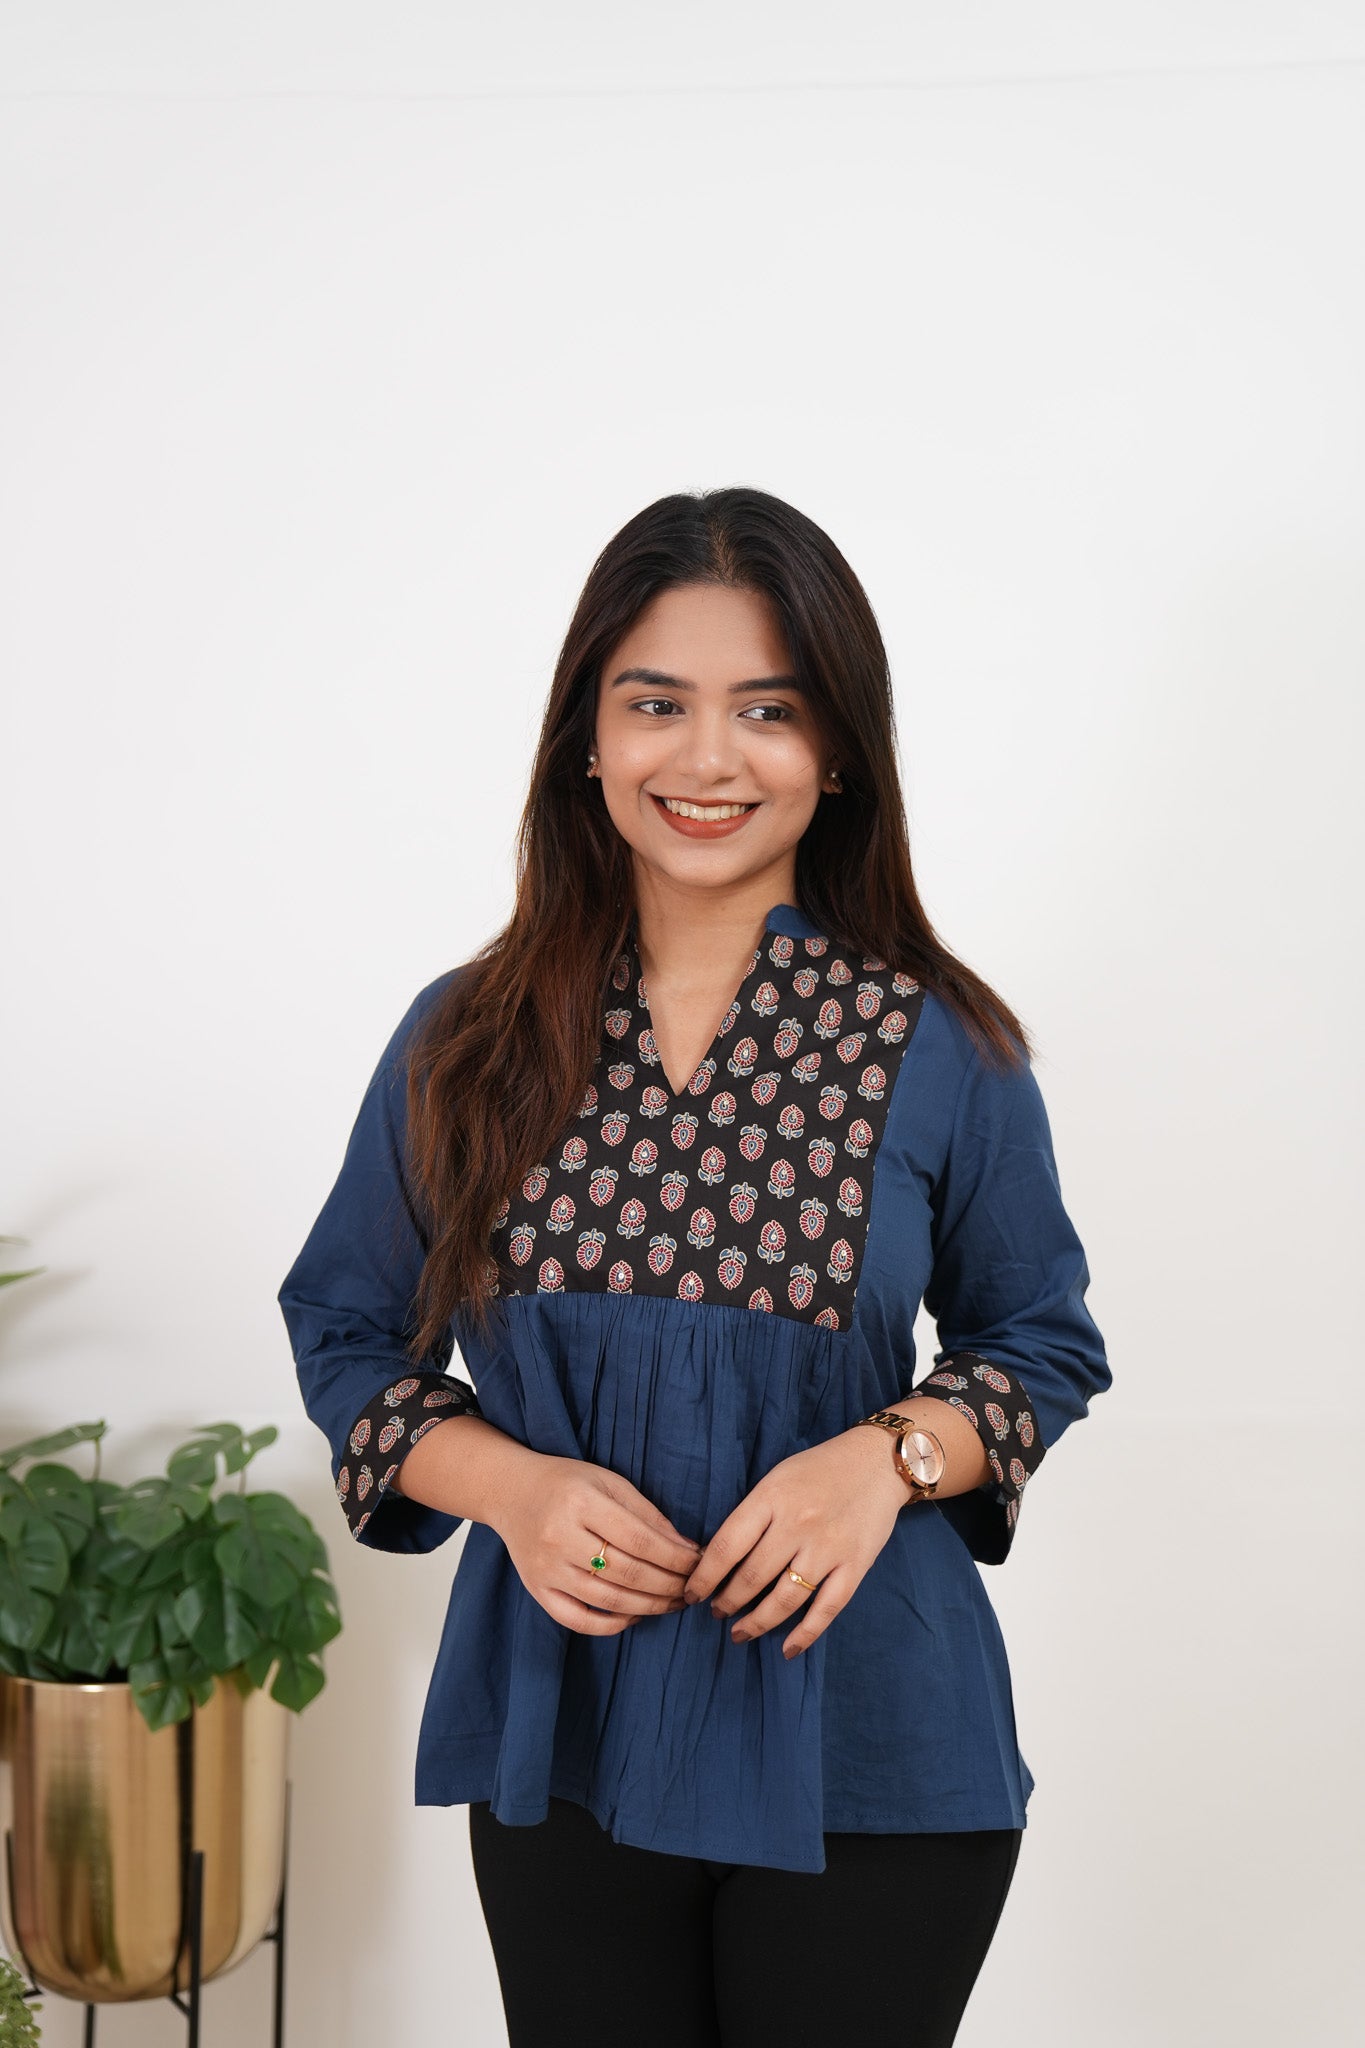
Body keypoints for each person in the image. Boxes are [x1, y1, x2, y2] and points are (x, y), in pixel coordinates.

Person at [278, 486, 1111, 2047]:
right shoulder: (466, 1035)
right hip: (565, 1732)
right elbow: (343, 1327)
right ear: (586, 740)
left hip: (870, 1739)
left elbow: (1040, 1340)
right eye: (655, 703)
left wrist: (882, 1461)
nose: (708, 759)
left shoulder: (942, 1043)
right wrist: (512, 1490)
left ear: (837, 751)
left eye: (768, 711)